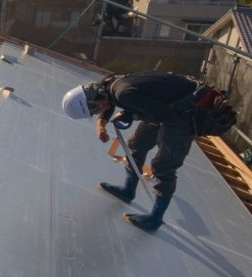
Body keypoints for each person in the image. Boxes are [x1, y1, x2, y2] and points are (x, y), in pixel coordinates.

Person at [61, 71, 200, 231]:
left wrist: (131, 114)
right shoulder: (105, 85)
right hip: (166, 103)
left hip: (183, 112)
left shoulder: (123, 94)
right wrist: (101, 124)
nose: (97, 113)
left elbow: (164, 115)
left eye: (94, 111)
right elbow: (110, 101)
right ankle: (128, 190)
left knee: (164, 165)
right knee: (136, 144)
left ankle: (156, 218)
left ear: (94, 102)